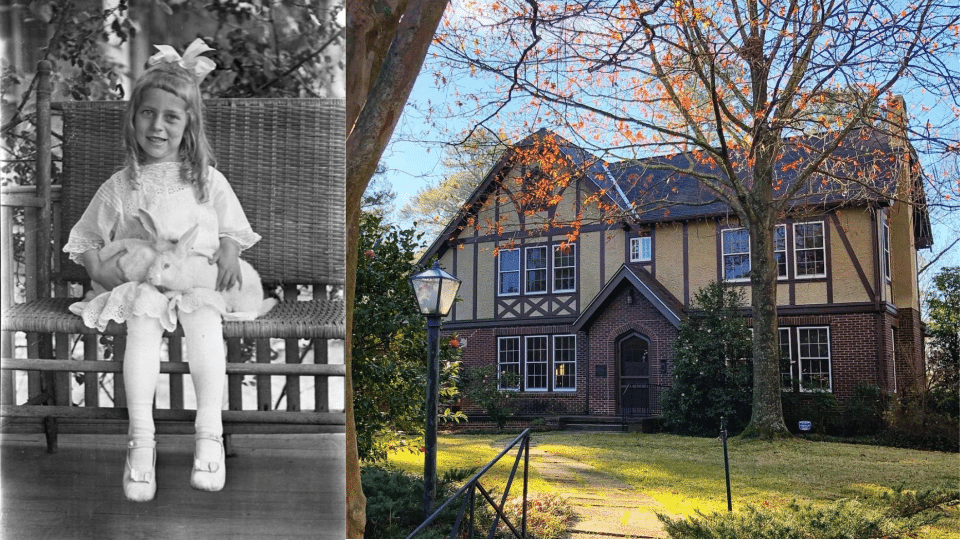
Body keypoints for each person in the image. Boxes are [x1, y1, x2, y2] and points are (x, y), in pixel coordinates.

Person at [63, 39, 260, 502]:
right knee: (143, 325)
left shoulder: (206, 179)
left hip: (196, 282)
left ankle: (209, 432)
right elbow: (87, 238)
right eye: (148, 114)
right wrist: (96, 265)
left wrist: (230, 250)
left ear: (188, 124)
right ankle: (141, 440)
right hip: (145, 284)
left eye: (171, 117)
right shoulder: (121, 186)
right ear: (133, 119)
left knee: (204, 323)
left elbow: (233, 228)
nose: (157, 125)